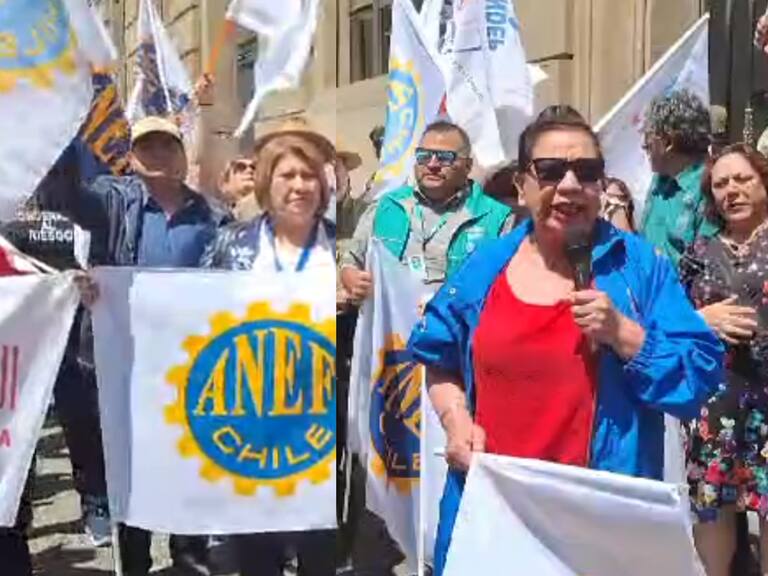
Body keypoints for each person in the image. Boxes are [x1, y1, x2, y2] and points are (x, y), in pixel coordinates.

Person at [407, 113, 725, 576]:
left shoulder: (639, 266)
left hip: (597, 528)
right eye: (552, 171)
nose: (571, 185)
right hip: (497, 514)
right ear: (522, 187)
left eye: (588, 172)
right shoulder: (487, 265)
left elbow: (698, 379)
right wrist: (457, 423)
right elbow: (438, 357)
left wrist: (627, 336)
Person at [49, 115, 227, 576]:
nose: (158, 155)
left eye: (168, 145)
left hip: (193, 374)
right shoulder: (112, 202)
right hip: (128, 372)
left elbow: (237, 286)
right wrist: (58, 121)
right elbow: (65, 195)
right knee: (134, 477)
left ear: (184, 155)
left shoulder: (215, 218)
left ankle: (190, 559)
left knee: (190, 471)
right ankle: (135, 563)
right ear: (131, 157)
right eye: (147, 146)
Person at [200, 125, 336, 576]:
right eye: (288, 175)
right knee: (256, 552)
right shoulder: (231, 244)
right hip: (250, 419)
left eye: (309, 176)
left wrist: (358, 299)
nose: (300, 186)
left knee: (319, 549)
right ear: (265, 184)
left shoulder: (346, 248)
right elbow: (190, 314)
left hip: (320, 428)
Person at [679, 144, 768, 576]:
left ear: (763, 181)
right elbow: (667, 318)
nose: (731, 190)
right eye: (720, 184)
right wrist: (701, 319)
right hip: (716, 403)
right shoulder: (699, 250)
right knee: (712, 506)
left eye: (742, 179)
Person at [340, 120, 514, 301]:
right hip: (394, 327)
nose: (432, 164)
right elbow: (351, 259)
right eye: (423, 156)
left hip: (461, 326)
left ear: (467, 166)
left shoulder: (497, 218)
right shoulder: (386, 206)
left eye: (445, 157)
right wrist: (350, 276)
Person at [640, 89, 718, 266]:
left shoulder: (712, 185)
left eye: (647, 141)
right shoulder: (659, 181)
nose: (644, 148)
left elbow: (705, 267)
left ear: (667, 142)